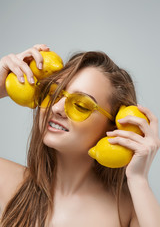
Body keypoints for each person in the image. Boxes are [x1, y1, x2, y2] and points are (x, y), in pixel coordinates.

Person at [0, 44, 159, 227]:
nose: (56, 108)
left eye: (81, 105)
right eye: (53, 94)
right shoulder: (11, 183)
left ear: (114, 126)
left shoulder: (128, 209)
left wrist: (139, 180)